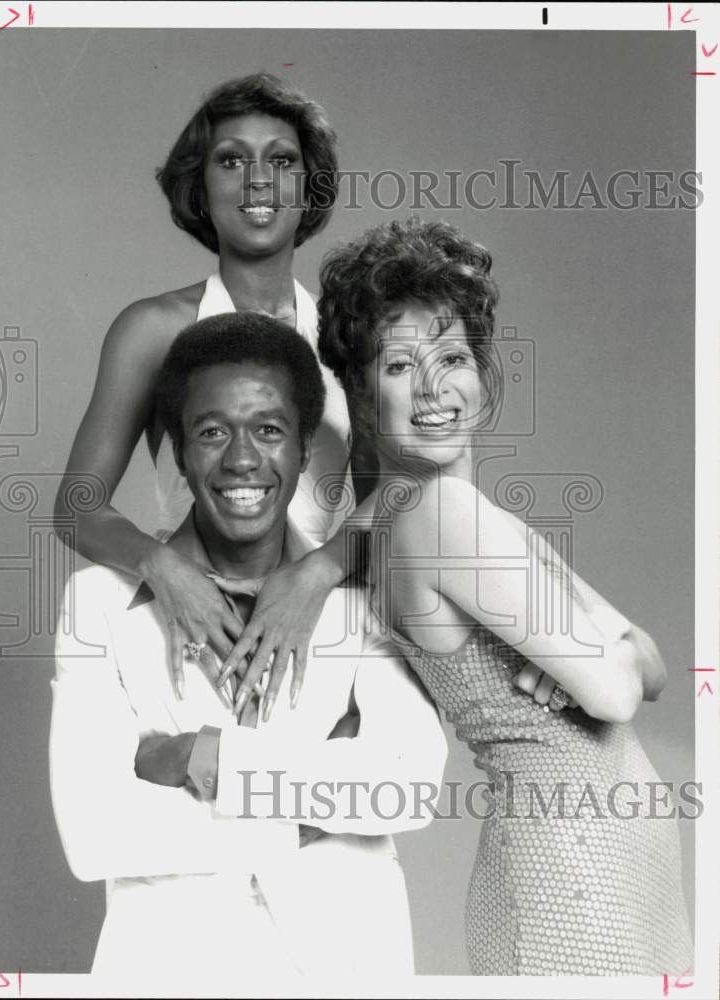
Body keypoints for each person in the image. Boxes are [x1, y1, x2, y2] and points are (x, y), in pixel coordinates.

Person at [315, 217, 694, 976]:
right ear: (360, 392)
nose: (434, 389)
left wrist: (606, 656)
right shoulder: (435, 513)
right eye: (398, 367)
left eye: (452, 357)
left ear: (482, 370)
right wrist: (602, 654)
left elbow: (650, 662)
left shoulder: (461, 513)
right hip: (572, 879)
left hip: (610, 867)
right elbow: (620, 692)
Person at [49, 313, 448, 988]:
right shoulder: (95, 604)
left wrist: (203, 758)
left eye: (269, 430)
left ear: (300, 450)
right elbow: (93, 831)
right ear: (178, 450)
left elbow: (407, 790)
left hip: (347, 970)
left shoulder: (362, 599)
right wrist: (316, 801)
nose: (241, 460)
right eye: (212, 432)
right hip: (168, 973)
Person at [55, 71, 356, 706]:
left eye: (282, 161)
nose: (258, 180)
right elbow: (76, 506)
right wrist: (163, 570)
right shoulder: (152, 330)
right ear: (201, 185)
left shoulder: (349, 333)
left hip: (318, 620)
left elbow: (399, 510)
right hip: (194, 614)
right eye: (231, 160)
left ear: (309, 186)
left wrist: (315, 576)